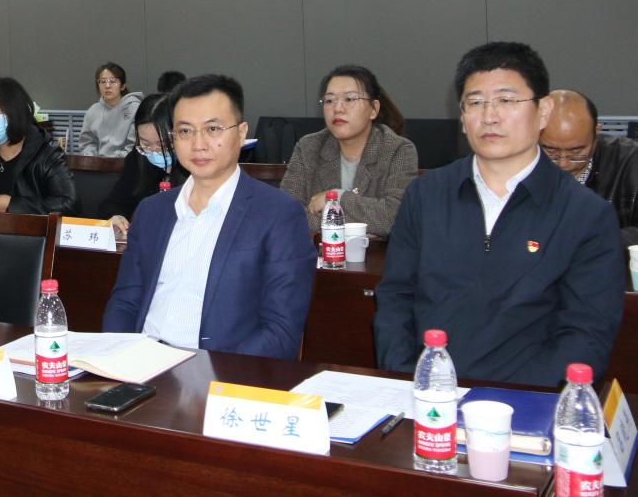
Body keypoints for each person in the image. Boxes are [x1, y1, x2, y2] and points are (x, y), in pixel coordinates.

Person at [374, 42, 624, 387]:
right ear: (463, 118)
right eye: (475, 103)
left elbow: (586, 333)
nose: (489, 116)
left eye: (506, 101)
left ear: (543, 111)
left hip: (529, 403)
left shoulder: (586, 215)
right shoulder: (426, 195)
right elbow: (396, 298)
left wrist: (509, 400)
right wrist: (408, 379)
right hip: (429, 397)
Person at [102, 75, 316, 358]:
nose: (198, 144)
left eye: (213, 129)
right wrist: (119, 359)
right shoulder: (151, 211)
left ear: (241, 133)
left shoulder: (279, 214)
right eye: (185, 131)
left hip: (220, 371)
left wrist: (209, 372)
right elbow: (124, 303)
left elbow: (281, 331)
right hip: (143, 366)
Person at [280, 65, 419, 238]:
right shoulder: (308, 147)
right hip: (318, 254)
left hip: (378, 255)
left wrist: (336, 198)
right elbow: (285, 215)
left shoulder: (397, 150)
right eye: (329, 100)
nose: (338, 108)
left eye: (350, 99)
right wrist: (362, 226)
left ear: (374, 109)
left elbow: (393, 218)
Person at [0, 76, 78, 216]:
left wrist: (12, 205)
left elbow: (69, 204)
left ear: (15, 112)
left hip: (31, 230)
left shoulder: (47, 154)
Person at [541, 89, 638, 246]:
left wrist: (587, 244)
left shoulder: (630, 162)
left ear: (596, 132)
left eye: (576, 152)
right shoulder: (514, 163)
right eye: (551, 151)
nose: (563, 163)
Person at [96, 93, 189, 237]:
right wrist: (115, 216)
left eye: (162, 144)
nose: (154, 151)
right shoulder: (138, 159)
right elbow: (114, 202)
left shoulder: (196, 165)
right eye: (145, 144)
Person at [79, 62, 143, 157]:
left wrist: (111, 162)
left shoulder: (135, 109)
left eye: (113, 81)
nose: (107, 86)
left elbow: (134, 146)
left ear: (123, 86)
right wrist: (92, 158)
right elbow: (87, 143)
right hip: (97, 163)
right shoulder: (93, 111)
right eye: (103, 81)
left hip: (125, 162)